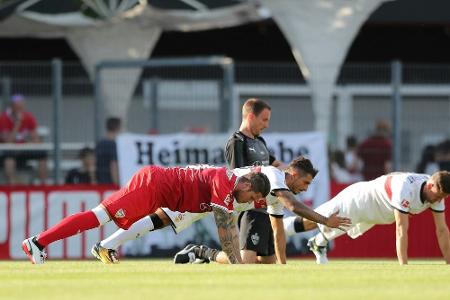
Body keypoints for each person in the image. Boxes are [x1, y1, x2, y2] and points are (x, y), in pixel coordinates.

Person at [91, 156, 351, 264]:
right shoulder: (274, 176)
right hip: (211, 192)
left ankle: (105, 245)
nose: (305, 188)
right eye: (305, 182)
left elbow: (278, 228)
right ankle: (105, 244)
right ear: (292, 173)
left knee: (158, 220)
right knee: (157, 219)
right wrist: (325, 219)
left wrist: (283, 265)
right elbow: (294, 206)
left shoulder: (277, 194)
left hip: (215, 203)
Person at [21, 164, 271, 264]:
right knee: (98, 217)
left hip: (163, 195)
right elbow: (225, 228)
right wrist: (238, 265)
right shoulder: (224, 182)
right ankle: (37, 242)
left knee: (147, 221)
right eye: (250, 198)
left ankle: (104, 247)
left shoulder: (233, 184)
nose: (248, 203)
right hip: (153, 185)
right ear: (247, 185)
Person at [283, 171, 450, 265]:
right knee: (320, 220)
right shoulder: (405, 189)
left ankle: (318, 243)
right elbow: (401, 229)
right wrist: (403, 266)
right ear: (430, 184)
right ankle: (282, 228)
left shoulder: (436, 192)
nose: (438, 200)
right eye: (438, 195)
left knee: (340, 227)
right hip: (361, 199)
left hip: (377, 214)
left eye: (443, 197)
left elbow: (442, 230)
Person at [225, 98, 285, 264]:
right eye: (264, 120)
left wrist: (293, 173)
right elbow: (237, 177)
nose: (266, 125)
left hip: (267, 210)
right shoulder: (237, 141)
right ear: (251, 117)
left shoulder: (260, 141)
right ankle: (203, 253)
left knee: (268, 262)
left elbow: (276, 164)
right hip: (250, 209)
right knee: (245, 261)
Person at [0, 94, 47, 184]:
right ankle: (13, 185)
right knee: (9, 158)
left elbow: (36, 139)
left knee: (42, 154)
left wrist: (30, 141)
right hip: (9, 150)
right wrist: (18, 123)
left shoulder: (29, 117)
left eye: (21, 107)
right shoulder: (3, 118)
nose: (20, 110)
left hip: (24, 148)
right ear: (12, 107)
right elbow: (8, 141)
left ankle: (43, 184)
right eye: (17, 107)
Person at [95, 117, 121, 185]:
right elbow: (113, 165)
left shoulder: (99, 144)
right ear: (117, 128)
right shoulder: (113, 145)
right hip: (110, 184)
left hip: (99, 182)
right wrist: (117, 183)